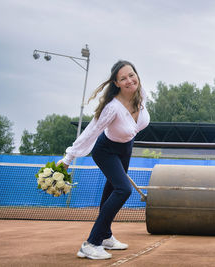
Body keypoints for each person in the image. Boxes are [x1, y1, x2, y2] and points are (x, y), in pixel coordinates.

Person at [56, 60, 150, 260]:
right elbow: (91, 131)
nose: (129, 80)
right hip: (106, 150)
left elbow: (134, 125)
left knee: (110, 192)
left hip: (126, 147)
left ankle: (106, 235)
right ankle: (91, 243)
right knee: (123, 190)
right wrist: (69, 157)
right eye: (123, 78)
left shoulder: (141, 94)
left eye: (131, 75)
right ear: (116, 83)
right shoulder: (112, 108)